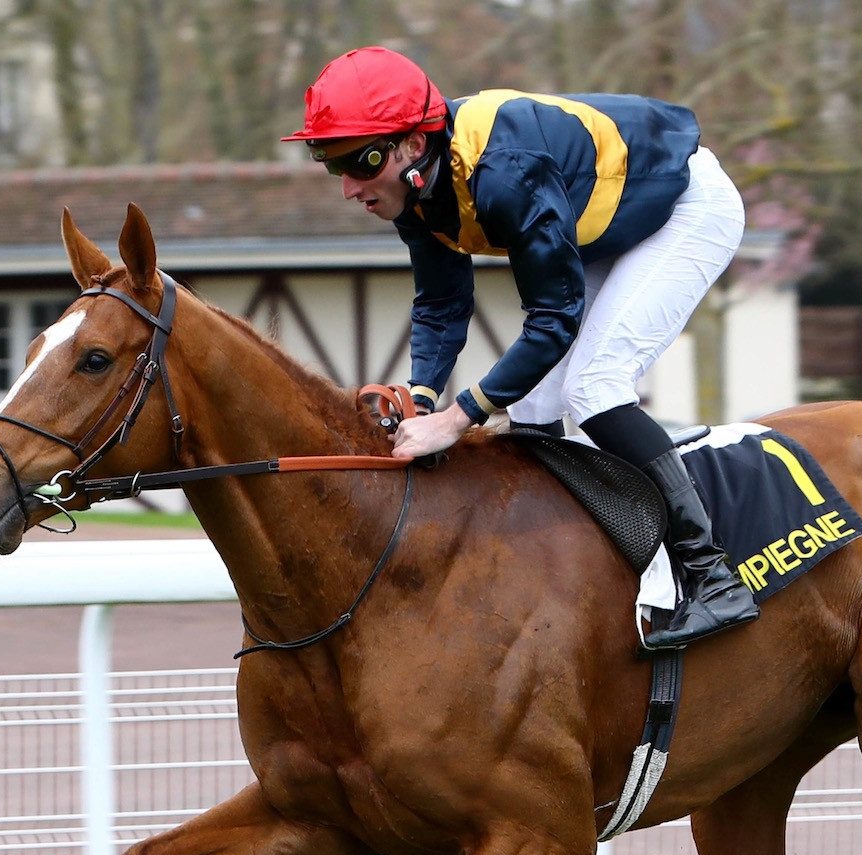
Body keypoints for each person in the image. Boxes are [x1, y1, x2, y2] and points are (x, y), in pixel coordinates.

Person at [285, 47, 759, 650]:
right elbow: (440, 305)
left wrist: (458, 420)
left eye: (361, 162)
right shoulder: (414, 188)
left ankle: (711, 575)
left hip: (683, 207)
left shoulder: (503, 172)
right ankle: (563, 573)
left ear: (411, 145)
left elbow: (554, 320)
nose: (350, 187)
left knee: (593, 388)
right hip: (600, 221)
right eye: (333, 166)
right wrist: (422, 398)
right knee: (534, 410)